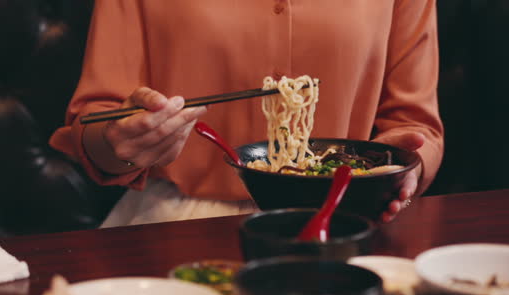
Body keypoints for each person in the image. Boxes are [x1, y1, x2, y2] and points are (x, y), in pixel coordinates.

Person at [50, 0, 443, 227]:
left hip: (343, 217)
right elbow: (94, 123)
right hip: (182, 221)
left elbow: (416, 126)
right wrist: (126, 142)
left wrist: (398, 166)